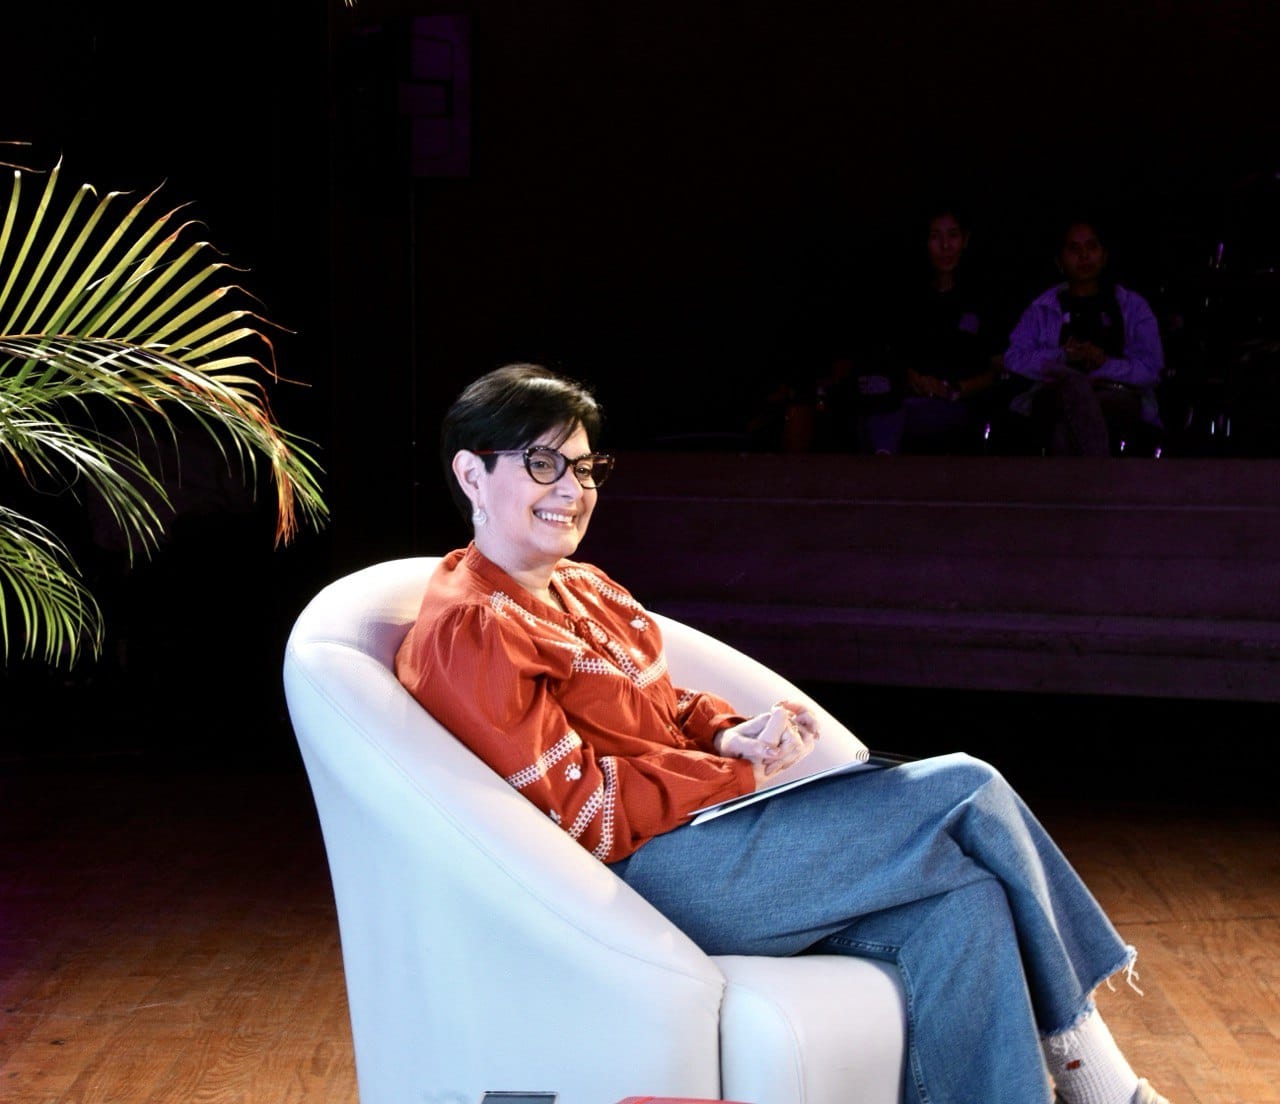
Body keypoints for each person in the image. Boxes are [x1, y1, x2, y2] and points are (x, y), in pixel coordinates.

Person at [395, 362, 1172, 1104]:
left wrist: (730, 738)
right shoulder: (473, 626)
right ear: (471, 475)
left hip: (704, 835)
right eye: (542, 464)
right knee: (967, 787)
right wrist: (733, 776)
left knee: (965, 903)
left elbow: (662, 708)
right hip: (639, 880)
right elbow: (587, 815)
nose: (573, 489)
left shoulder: (582, 585)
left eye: (585, 466)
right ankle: (1099, 1078)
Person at [1003, 218, 1165, 455]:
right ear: (1059, 261)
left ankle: (1076, 477)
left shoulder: (1132, 306)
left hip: (1116, 393)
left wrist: (1103, 364)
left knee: (1073, 420)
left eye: (1091, 247)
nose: (1084, 256)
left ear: (1104, 255)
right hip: (1055, 394)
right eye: (1074, 249)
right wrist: (1062, 357)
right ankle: (1095, 476)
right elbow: (1014, 358)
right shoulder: (1042, 308)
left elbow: (1151, 369)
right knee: (1065, 402)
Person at [857, 206, 1007, 455]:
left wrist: (953, 389)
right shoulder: (909, 298)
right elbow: (891, 358)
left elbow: (998, 369)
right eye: (936, 236)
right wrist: (914, 379)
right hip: (907, 399)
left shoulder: (983, 298)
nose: (945, 246)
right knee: (875, 405)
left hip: (959, 405)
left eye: (952, 235)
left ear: (965, 240)